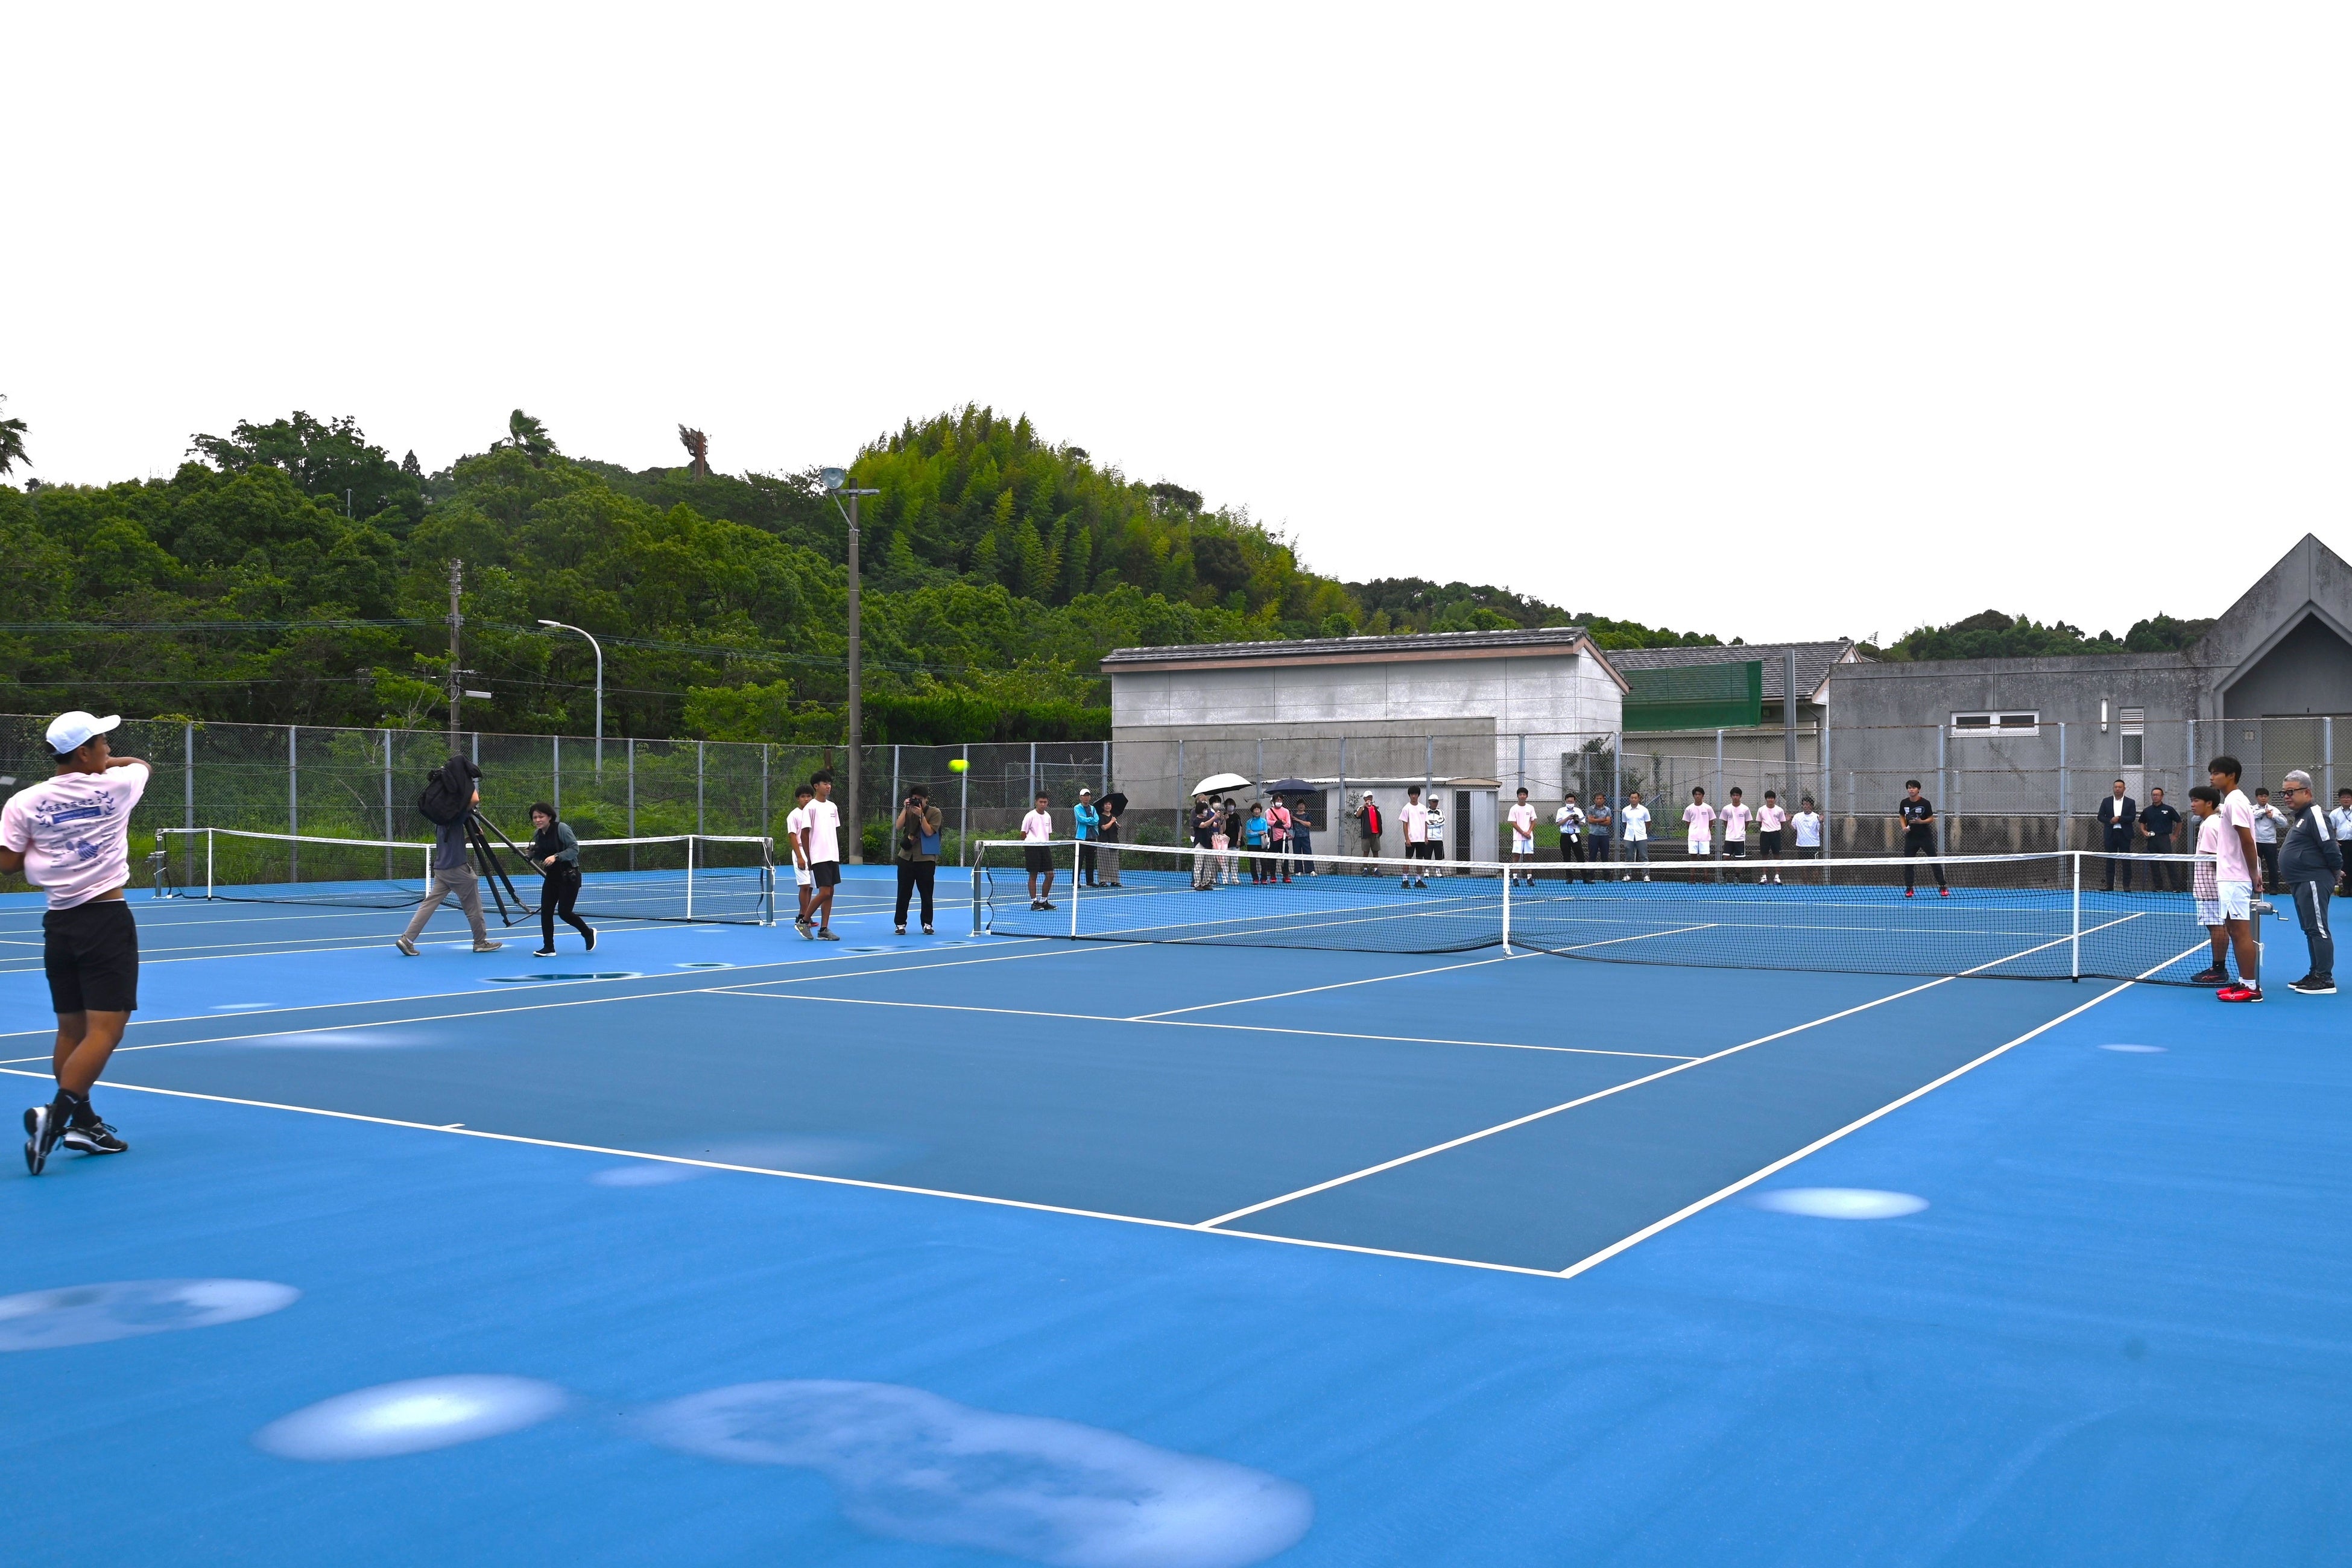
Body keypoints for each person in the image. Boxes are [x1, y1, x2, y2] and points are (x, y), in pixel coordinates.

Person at [1, 712, 151, 1174]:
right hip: (105, 921)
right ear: (84, 752)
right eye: (103, 743)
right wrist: (106, 767)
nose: (109, 749)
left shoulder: (24, 801)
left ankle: (85, 1126)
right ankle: (57, 1118)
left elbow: (8, 863)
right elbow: (141, 764)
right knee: (106, 1031)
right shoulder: (119, 785)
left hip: (59, 925)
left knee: (71, 1031)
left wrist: (49, 838)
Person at [396, 755, 504, 956]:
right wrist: (464, 782)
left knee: (429, 905)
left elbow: (451, 842)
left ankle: (407, 939)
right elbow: (474, 799)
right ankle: (480, 941)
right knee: (473, 906)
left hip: (442, 868)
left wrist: (468, 839)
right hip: (457, 868)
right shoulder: (455, 815)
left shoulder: (441, 818)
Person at [2201, 754, 2263, 1001]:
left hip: (2236, 877)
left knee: (2240, 932)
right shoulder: (2231, 802)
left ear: (2231, 776)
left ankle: (2251, 988)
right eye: (2211, 773)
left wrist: (2254, 873)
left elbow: (2247, 840)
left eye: (2216, 773)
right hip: (2230, 876)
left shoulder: (2235, 802)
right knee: (2234, 930)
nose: (2212, 777)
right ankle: (2243, 982)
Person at [2275, 770, 2339, 996]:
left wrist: (2335, 872)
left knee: (2318, 929)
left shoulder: (2315, 815)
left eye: (2291, 792)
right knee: (2310, 929)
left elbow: (2330, 847)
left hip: (2313, 880)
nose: (2286, 796)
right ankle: (2315, 973)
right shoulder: (2302, 817)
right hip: (2301, 881)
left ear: (2308, 792)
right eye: (2284, 792)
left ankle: (2325, 979)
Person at [526, 801, 595, 956]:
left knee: (565, 913)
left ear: (549, 817)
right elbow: (543, 856)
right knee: (546, 912)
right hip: (552, 877)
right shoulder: (538, 834)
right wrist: (532, 854)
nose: (538, 820)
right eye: (535, 817)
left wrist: (557, 857)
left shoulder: (561, 828)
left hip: (569, 877)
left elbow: (574, 849)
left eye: (541, 817)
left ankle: (587, 932)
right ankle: (549, 948)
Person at [799, 770, 845, 940]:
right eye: (825, 783)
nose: (828, 786)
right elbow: (804, 834)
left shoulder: (833, 807)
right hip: (819, 856)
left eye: (829, 783)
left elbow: (832, 830)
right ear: (816, 786)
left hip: (833, 855)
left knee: (830, 891)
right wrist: (809, 857)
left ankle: (824, 929)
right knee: (824, 892)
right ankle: (804, 921)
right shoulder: (810, 807)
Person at [893, 784, 944, 935]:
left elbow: (929, 832)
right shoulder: (908, 810)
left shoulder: (935, 812)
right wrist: (905, 809)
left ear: (926, 799)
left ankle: (927, 923)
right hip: (906, 857)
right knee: (903, 892)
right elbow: (898, 826)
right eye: (914, 799)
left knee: (926, 893)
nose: (917, 802)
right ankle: (900, 924)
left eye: (920, 799)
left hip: (926, 858)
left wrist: (921, 815)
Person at [1898, 779, 1948, 897]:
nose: (1911, 790)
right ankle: (1909, 888)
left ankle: (1942, 886)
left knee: (1934, 862)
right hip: (1911, 839)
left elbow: (1931, 819)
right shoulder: (1904, 803)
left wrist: (1921, 822)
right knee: (1908, 863)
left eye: (1913, 788)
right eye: (1909, 788)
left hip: (1925, 838)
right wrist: (1904, 827)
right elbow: (1901, 815)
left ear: (1918, 790)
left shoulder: (1925, 803)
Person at [2137, 786, 2183, 893]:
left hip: (2164, 839)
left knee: (2169, 863)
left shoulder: (2169, 809)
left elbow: (2179, 821)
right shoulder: (2147, 811)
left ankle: (2176, 887)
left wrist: (2175, 835)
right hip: (2152, 840)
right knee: (2154, 864)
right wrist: (2144, 832)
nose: (2155, 797)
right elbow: (2142, 823)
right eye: (2154, 795)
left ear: (2162, 796)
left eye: (2157, 795)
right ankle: (2158, 887)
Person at [2097, 779, 2138, 892]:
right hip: (2110, 834)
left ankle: (2126, 885)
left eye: (2120, 787)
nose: (2118, 789)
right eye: (2116, 787)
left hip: (2124, 835)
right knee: (2110, 860)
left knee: (2126, 860)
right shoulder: (2106, 801)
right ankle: (2109, 885)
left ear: (2124, 789)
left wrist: (2120, 819)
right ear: (2113, 788)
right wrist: (2110, 821)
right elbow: (2100, 816)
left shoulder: (2130, 802)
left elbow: (2132, 817)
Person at [783, 783, 815, 930]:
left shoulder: (813, 813)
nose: (806, 799)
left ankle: (805, 915)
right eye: (803, 797)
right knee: (804, 886)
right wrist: (800, 857)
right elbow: (792, 837)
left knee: (811, 886)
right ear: (798, 799)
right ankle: (803, 918)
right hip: (800, 851)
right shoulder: (794, 815)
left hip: (813, 852)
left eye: (809, 796)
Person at [1020, 791, 1057, 911]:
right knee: (1033, 875)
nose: (1043, 804)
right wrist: (1029, 845)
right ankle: (1034, 902)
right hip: (1032, 848)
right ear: (1036, 802)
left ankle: (1044, 901)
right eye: (1041, 802)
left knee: (1050, 875)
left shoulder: (1048, 816)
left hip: (1045, 847)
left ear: (1048, 803)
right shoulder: (1030, 816)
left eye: (1045, 802)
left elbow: (1048, 833)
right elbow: (1023, 833)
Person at [2252, 786, 2287, 893]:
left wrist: (2273, 816)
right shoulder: (2252, 809)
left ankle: (2274, 888)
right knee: (2254, 866)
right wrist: (2263, 811)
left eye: (2265, 796)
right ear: (2256, 797)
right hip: (2256, 841)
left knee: (2272, 866)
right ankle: (2254, 887)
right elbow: (2250, 817)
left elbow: (2285, 823)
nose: (2263, 798)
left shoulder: (2274, 809)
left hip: (2270, 842)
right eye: (2261, 796)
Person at [1507, 787, 1539, 887]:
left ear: (1527, 796)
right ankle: (1515, 878)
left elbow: (1534, 821)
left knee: (1529, 857)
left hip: (1529, 837)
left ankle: (1529, 878)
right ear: (1518, 796)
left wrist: (1529, 832)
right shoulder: (1514, 808)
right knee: (1516, 857)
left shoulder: (1531, 808)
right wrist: (1522, 833)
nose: (1522, 796)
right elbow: (1513, 823)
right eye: (1520, 795)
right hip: (1518, 837)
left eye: (1524, 795)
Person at [1719, 787, 1751, 882]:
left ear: (1740, 796)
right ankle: (1724, 877)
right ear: (1731, 796)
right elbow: (1725, 822)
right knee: (1726, 858)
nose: (1735, 797)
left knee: (1739, 860)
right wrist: (1730, 830)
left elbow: (1747, 822)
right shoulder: (1726, 809)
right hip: (1729, 838)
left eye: (1737, 795)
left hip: (1740, 839)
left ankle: (1737, 878)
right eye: (1734, 795)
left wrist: (1741, 831)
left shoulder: (1745, 809)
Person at [1401, 785, 1430, 888]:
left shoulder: (1423, 808)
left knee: (1419, 860)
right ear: (1409, 795)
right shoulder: (1406, 808)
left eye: (1416, 794)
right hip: (1411, 840)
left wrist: (1426, 837)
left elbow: (1426, 823)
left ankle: (1418, 880)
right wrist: (1407, 839)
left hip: (1421, 840)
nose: (1414, 796)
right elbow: (1405, 824)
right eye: (1412, 794)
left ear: (1418, 795)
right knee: (1408, 859)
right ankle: (1405, 880)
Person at [1756, 790, 1786, 885]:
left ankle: (1777, 877)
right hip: (1765, 834)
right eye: (1769, 798)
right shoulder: (1761, 810)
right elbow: (1760, 822)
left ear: (1775, 799)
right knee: (1764, 855)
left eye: (1772, 798)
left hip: (1776, 834)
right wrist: (1766, 829)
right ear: (1766, 799)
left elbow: (1782, 822)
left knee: (1777, 855)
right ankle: (1764, 877)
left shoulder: (1779, 810)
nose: (1770, 800)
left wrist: (1775, 829)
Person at [1619, 790, 1652, 880]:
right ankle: (1628, 875)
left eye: (1635, 798)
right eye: (1632, 798)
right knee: (1629, 857)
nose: (1634, 799)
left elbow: (1648, 823)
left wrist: (1642, 831)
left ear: (1639, 799)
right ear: (1629, 799)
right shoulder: (1625, 810)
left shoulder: (1644, 810)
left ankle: (1646, 875)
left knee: (1644, 857)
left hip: (1641, 837)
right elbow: (1625, 823)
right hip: (1629, 837)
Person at [1682, 786, 1715, 874]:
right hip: (1693, 837)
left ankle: (1706, 877)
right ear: (1694, 796)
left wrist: (1706, 830)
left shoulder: (1708, 808)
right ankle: (1692, 877)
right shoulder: (1689, 809)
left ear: (1703, 796)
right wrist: (1693, 831)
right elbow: (1688, 823)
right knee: (1693, 858)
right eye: (1696, 794)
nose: (1698, 796)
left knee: (1705, 858)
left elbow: (1711, 822)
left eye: (1699, 794)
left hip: (1705, 837)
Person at [1095, 791, 1125, 887]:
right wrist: (1112, 822)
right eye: (1106, 804)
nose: (1108, 806)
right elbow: (1104, 827)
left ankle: (1114, 880)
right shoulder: (1100, 817)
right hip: (1103, 842)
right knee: (1103, 862)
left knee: (1114, 862)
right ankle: (1103, 881)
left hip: (1114, 842)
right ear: (1103, 806)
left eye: (1109, 804)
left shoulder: (1113, 817)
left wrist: (1117, 825)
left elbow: (1113, 827)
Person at [1554, 793, 1585, 884]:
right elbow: (1558, 824)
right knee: (1566, 856)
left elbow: (1583, 824)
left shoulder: (1578, 810)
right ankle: (1569, 877)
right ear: (1565, 801)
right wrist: (1568, 818)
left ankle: (1585, 877)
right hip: (1565, 836)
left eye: (1572, 801)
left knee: (1580, 856)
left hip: (1575, 835)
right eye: (1568, 801)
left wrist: (1577, 820)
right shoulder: (1561, 810)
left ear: (1575, 802)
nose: (1570, 803)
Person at [1190, 795, 1220, 890]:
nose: (1206, 811)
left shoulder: (1208, 819)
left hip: (1209, 844)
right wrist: (1214, 818)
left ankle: (1206, 883)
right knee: (1198, 865)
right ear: (1200, 810)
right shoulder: (1196, 820)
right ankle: (1197, 884)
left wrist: (1222, 819)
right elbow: (1203, 825)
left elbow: (1215, 825)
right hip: (1200, 844)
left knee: (1209, 865)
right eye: (1204, 810)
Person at [1073, 788, 1099, 888]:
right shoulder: (1077, 808)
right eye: (1084, 796)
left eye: (1088, 796)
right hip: (1081, 838)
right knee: (1079, 860)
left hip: (1092, 837)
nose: (1086, 797)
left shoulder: (1093, 809)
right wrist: (1090, 820)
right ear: (1081, 797)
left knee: (1091, 860)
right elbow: (1081, 819)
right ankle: (1076, 881)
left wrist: (1090, 820)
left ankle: (1090, 881)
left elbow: (1096, 820)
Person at [1792, 795, 1824, 878]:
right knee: (1803, 868)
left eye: (1807, 804)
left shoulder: (1817, 817)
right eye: (1804, 804)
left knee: (1815, 868)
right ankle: (1805, 884)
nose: (1805, 806)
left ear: (1811, 806)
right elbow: (1793, 829)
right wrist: (1788, 821)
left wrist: (1821, 822)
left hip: (1814, 846)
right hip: (1801, 846)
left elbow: (1821, 831)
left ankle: (1814, 884)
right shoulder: (1797, 816)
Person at [1266, 795, 1293, 883]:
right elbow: (1268, 822)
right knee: (1273, 858)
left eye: (1281, 800)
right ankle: (1273, 876)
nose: (1279, 801)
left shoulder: (1286, 811)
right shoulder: (1269, 811)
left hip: (1284, 838)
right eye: (1277, 800)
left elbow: (1288, 825)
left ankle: (1286, 875)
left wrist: (1276, 823)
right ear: (1274, 801)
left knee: (1285, 857)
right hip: (1273, 838)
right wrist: (1280, 822)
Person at [1243, 800, 1270, 884]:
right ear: (1252, 811)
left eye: (1258, 810)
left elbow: (1265, 832)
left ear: (1260, 811)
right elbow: (1248, 834)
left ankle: (1264, 879)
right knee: (1253, 863)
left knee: (1264, 862)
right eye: (1255, 810)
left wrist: (1254, 832)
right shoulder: (1249, 822)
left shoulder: (1264, 821)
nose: (1256, 811)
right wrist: (1258, 833)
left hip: (1262, 844)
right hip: (1252, 845)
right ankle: (1255, 879)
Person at [1586, 795, 1613, 877]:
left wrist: (1596, 820)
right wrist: (1602, 820)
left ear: (1604, 800)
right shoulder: (1591, 809)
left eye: (1600, 799)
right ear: (1594, 800)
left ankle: (1606, 876)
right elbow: (1590, 820)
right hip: (1593, 835)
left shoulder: (1607, 810)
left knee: (1605, 856)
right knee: (1592, 856)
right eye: (1597, 799)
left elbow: (1608, 822)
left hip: (1604, 836)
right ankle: (1590, 876)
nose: (1599, 800)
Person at [1357, 791, 1383, 874]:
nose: (1369, 799)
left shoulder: (1376, 808)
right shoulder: (1361, 808)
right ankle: (1365, 870)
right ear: (1364, 799)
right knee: (1366, 852)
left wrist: (1379, 831)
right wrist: (1363, 806)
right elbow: (1357, 815)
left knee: (1376, 852)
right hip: (1366, 835)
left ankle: (1376, 870)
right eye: (1368, 797)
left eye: (1371, 797)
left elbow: (1379, 819)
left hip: (1376, 834)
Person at [1289, 795, 1315, 874]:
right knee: (1297, 853)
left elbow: (1309, 824)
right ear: (1297, 806)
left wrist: (1298, 820)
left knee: (1308, 853)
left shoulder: (1307, 815)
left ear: (1305, 806)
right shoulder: (1293, 816)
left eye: (1303, 805)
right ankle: (1298, 870)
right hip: (1296, 837)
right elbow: (1290, 825)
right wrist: (1291, 817)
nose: (1301, 806)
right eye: (1300, 805)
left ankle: (1310, 870)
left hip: (1305, 837)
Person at [2333, 786, 2352, 899]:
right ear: (2340, 799)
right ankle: (2346, 889)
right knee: (2345, 866)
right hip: (2342, 843)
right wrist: (2334, 841)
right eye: (2343, 797)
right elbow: (2331, 828)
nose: (2346, 799)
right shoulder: (2335, 813)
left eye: (2348, 797)